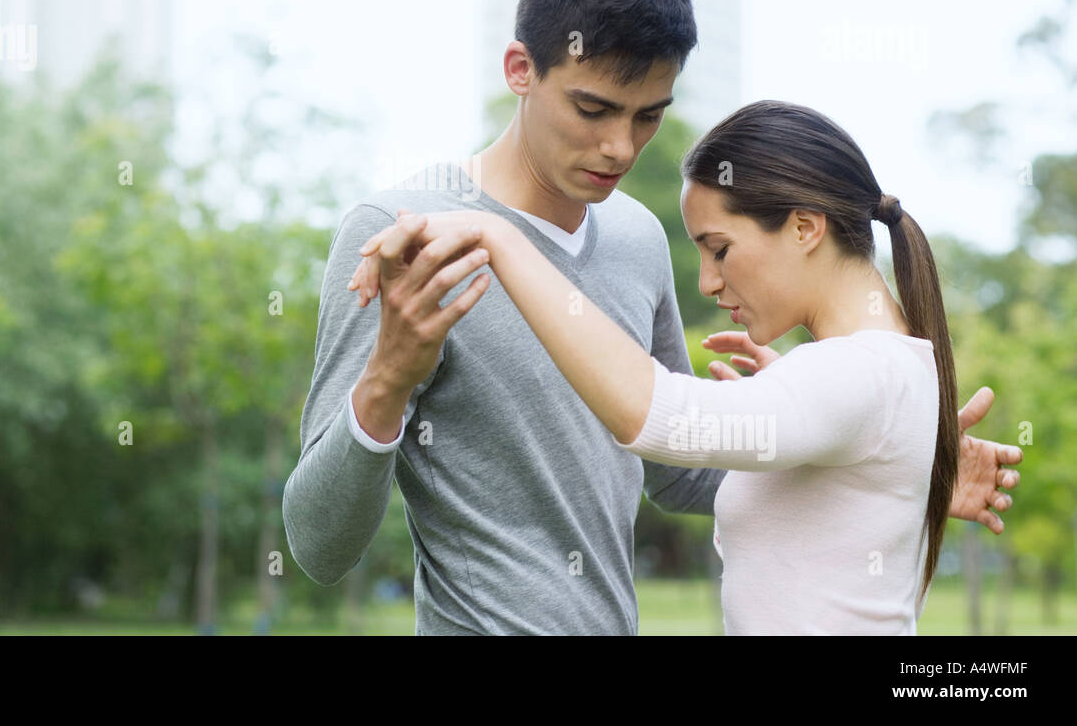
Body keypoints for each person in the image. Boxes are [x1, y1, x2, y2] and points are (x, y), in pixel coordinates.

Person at [281, 0, 1021, 635]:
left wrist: (880, 470)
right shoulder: (404, 235)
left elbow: (677, 464)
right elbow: (317, 546)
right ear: (520, 69)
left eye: (648, 117)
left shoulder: (636, 236)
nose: (618, 146)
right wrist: (385, 378)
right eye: (593, 108)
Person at [353, 100, 987, 633]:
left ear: (803, 228)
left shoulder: (856, 375)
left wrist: (500, 239)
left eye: (720, 249)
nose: (709, 282)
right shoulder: (869, 371)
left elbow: (663, 418)